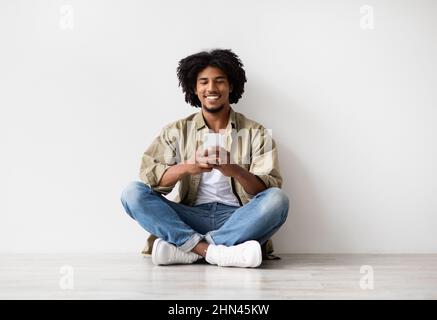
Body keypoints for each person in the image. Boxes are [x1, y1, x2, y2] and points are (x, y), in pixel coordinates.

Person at [120, 49, 289, 268]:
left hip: (237, 219)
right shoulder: (176, 131)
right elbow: (152, 181)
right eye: (204, 82)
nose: (211, 88)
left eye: (219, 81)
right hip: (188, 217)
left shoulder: (256, 133)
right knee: (132, 193)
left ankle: (189, 249)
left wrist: (234, 170)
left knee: (278, 199)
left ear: (231, 86)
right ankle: (215, 252)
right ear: (194, 88)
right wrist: (187, 167)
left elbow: (265, 192)